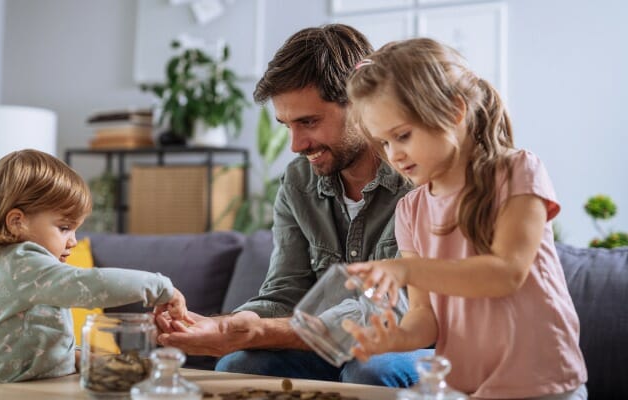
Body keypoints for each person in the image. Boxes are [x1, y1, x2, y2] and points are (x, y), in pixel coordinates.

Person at [155, 24, 432, 387]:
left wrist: (252, 332)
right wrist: (224, 325)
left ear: (363, 103)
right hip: (327, 347)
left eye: (309, 122)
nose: (297, 144)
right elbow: (284, 292)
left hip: (414, 341)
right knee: (240, 366)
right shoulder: (298, 182)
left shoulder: (419, 179)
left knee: (369, 370)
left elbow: (394, 312)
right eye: (286, 125)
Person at [342, 38, 588, 399]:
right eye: (384, 144)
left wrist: (406, 270)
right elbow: (424, 316)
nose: (394, 155)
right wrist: (397, 338)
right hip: (466, 388)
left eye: (403, 136)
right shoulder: (410, 210)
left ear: (454, 110)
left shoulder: (517, 172)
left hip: (543, 383)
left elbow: (505, 273)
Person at [0, 149, 193, 386]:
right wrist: (160, 287)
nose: (73, 241)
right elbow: (90, 284)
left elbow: (36, 336)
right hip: (6, 392)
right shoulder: (21, 262)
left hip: (38, 386)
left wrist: (78, 358)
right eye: (64, 228)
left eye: (75, 229)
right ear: (18, 222)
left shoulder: (27, 269)